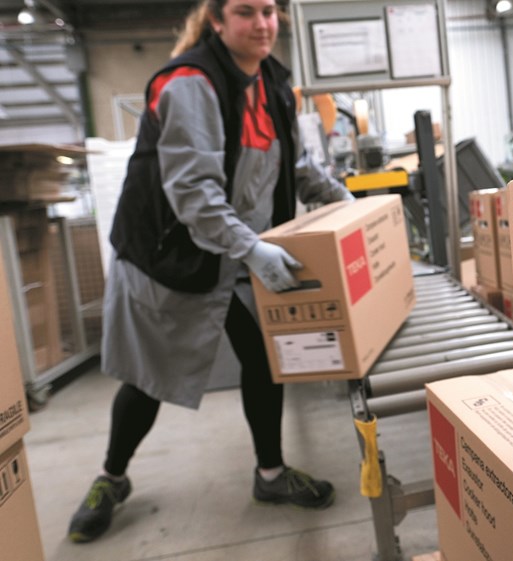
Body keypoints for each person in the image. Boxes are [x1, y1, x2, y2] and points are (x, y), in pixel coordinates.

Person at [68, 0, 353, 543]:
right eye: (245, 12)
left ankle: (270, 474)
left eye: (269, 10)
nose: (263, 23)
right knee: (148, 374)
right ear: (217, 22)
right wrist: (252, 248)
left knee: (263, 359)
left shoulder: (270, 82)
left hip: (234, 252)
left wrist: (337, 194)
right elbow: (192, 192)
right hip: (171, 253)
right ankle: (111, 477)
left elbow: (287, 160)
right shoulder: (191, 85)